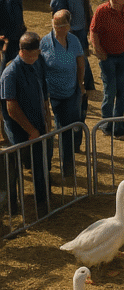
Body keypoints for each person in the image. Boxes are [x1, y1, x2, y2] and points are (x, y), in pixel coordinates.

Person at [0, 32, 53, 215]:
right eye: (33, 54)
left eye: (37, 53)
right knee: (13, 169)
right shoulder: (10, 73)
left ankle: (42, 202)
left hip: (37, 125)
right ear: (22, 51)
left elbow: (43, 91)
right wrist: (30, 130)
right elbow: (11, 108)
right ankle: (12, 205)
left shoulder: (37, 63)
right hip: (18, 130)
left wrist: (47, 116)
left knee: (40, 163)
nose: (36, 56)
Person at [40, 11, 86, 175]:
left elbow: (81, 63)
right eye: (54, 24)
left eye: (59, 25)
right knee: (63, 128)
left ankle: (69, 160)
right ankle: (67, 165)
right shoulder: (45, 43)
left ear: (67, 26)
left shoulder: (73, 40)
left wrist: (80, 84)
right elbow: (40, 68)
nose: (56, 28)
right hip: (55, 94)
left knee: (73, 124)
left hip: (72, 90)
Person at [90, 0, 124, 138]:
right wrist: (98, 50)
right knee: (110, 91)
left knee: (122, 92)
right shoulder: (101, 11)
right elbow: (93, 31)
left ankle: (118, 127)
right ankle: (107, 124)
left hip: (123, 55)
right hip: (107, 57)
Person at [50, 0, 94, 93]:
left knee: (83, 57)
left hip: (81, 31)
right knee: (74, 60)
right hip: (70, 33)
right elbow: (60, 20)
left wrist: (89, 27)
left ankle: (88, 84)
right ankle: (79, 85)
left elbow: (87, 11)